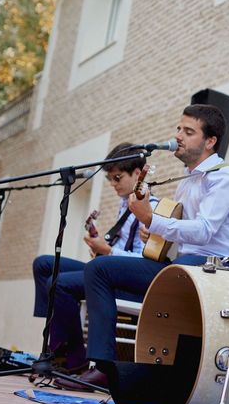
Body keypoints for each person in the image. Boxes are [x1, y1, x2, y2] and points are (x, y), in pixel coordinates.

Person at [55, 104, 229, 390]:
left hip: (218, 270)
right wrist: (155, 237)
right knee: (100, 270)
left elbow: (206, 230)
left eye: (189, 131)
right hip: (187, 266)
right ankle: (91, 363)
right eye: (179, 129)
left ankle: (104, 369)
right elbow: (181, 237)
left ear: (210, 142)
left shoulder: (224, 177)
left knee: (100, 268)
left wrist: (151, 220)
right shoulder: (187, 179)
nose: (178, 136)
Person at [32, 143, 157, 373]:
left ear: (138, 174)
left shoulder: (151, 207)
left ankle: (73, 357)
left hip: (126, 282)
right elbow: (117, 249)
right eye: (110, 179)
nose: (113, 184)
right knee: (43, 265)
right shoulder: (125, 205)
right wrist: (102, 248)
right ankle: (56, 335)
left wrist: (108, 253)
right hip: (106, 271)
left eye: (117, 178)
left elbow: (144, 260)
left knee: (57, 284)